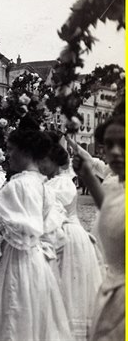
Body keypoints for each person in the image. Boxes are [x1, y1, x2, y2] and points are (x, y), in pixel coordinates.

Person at [0, 128, 71, 340]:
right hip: (37, 262)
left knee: (13, 316)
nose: (7, 155)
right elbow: (46, 230)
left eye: (11, 150)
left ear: (25, 151)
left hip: (19, 261)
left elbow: (20, 235)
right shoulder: (42, 183)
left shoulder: (19, 185)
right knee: (29, 318)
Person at [40, 133, 103, 340]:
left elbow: (53, 213)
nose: (41, 164)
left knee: (67, 288)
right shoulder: (55, 181)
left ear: (55, 163)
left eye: (45, 161)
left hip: (67, 236)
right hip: (62, 234)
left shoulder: (61, 184)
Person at [70, 112, 124, 341]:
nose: (114, 151)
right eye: (108, 144)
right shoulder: (115, 186)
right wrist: (87, 177)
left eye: (124, 143)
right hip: (112, 294)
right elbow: (114, 214)